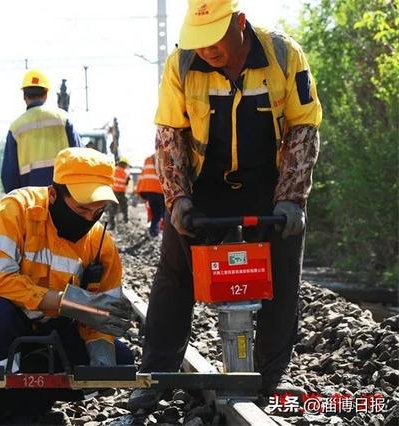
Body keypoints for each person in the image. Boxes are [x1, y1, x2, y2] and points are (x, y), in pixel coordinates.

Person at [128, 0, 322, 411]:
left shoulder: (283, 55)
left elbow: (303, 127)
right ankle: (155, 376)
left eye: (214, 40)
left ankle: (265, 381)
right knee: (175, 275)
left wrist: (291, 199)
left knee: (282, 274)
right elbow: (170, 135)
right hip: (205, 184)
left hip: (268, 185)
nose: (206, 50)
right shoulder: (181, 66)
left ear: (240, 23)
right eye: (198, 42)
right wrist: (178, 199)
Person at [0, 147, 135, 425]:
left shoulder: (101, 245)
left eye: (98, 210)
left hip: (44, 337)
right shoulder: (16, 209)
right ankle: (7, 409)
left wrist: (101, 354)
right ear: (54, 194)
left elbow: (102, 317)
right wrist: (69, 302)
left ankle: (32, 402)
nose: (89, 218)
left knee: (122, 359)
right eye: (81, 208)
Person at [1, 69, 81, 193]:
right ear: (46, 94)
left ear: (24, 96)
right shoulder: (63, 119)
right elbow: (79, 157)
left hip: (30, 199)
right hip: (64, 196)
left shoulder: (16, 127)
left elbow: (9, 175)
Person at [135, 154, 165, 237]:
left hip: (149, 190)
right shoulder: (165, 156)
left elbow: (142, 176)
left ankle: (154, 232)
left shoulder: (148, 159)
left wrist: (139, 192)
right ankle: (163, 232)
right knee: (164, 213)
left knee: (155, 213)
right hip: (161, 191)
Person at [107, 157, 130, 228]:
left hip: (113, 192)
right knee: (124, 208)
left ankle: (112, 225)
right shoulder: (126, 172)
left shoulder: (113, 169)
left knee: (112, 209)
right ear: (125, 164)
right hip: (122, 193)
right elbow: (126, 183)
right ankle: (125, 222)